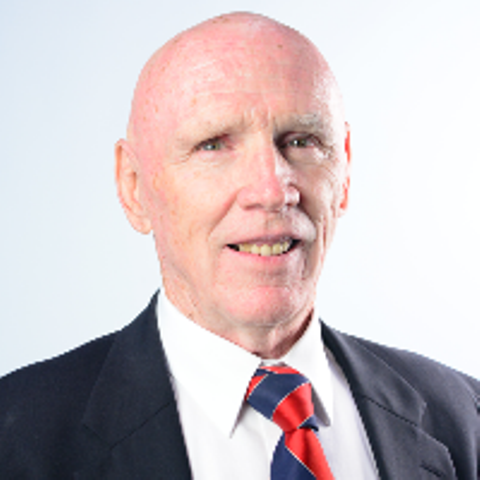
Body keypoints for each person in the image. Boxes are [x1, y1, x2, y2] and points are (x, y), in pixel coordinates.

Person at [0, 11, 478, 480]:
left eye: (301, 141)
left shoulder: (465, 418)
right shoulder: (16, 438)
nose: (272, 190)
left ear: (345, 173)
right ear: (133, 186)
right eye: (213, 144)